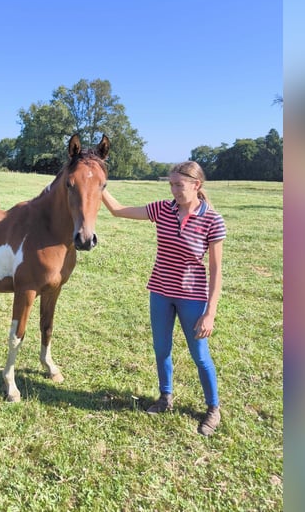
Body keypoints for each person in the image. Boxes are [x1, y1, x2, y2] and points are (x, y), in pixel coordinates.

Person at [102, 161, 226, 436]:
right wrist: (98, 186)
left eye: (179, 185)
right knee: (161, 350)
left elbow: (217, 271)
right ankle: (165, 397)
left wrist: (210, 312)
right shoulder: (162, 209)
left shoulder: (212, 220)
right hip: (160, 292)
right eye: (171, 185)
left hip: (193, 298)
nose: (174, 191)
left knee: (200, 356)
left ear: (197, 185)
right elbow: (118, 211)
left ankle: (213, 408)